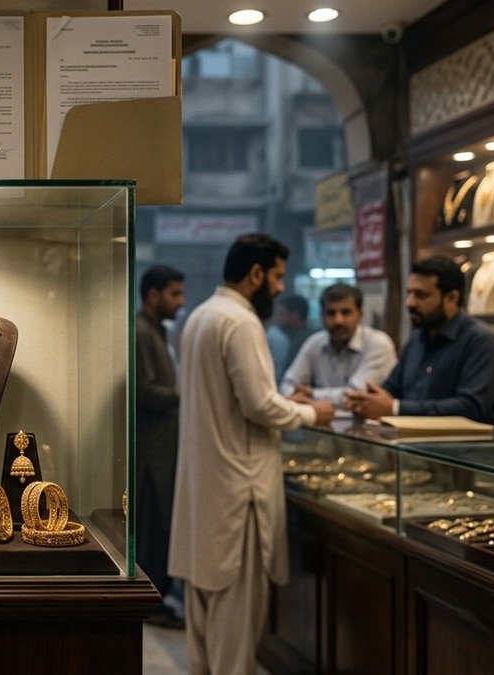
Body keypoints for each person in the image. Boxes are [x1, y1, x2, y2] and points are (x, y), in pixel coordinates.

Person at [168, 233, 334, 675]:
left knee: (205, 611)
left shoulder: (203, 315)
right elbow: (259, 405)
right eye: (277, 277)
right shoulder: (240, 322)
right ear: (256, 274)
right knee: (235, 623)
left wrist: (288, 402)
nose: (280, 288)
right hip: (237, 491)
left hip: (208, 485)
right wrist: (310, 412)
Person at [343, 255, 494, 429]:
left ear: (451, 298)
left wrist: (395, 408)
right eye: (409, 293)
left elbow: (472, 407)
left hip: (465, 453)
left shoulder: (480, 341)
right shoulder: (417, 340)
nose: (410, 303)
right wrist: (366, 400)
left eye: (421, 295)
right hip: (413, 450)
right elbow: (393, 388)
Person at [134, 264, 185, 629]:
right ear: (153, 295)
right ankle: (150, 602)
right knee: (152, 527)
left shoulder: (155, 331)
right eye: (175, 294)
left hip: (163, 449)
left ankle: (159, 598)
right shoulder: (140, 332)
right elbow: (146, 391)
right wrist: (185, 395)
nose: (180, 302)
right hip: (151, 452)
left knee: (161, 524)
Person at [280, 283, 398, 406]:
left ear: (360, 315)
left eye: (346, 313)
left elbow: (356, 395)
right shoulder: (315, 343)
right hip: (320, 422)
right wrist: (293, 396)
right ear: (322, 316)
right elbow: (288, 383)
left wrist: (312, 394)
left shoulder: (378, 343)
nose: (338, 321)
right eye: (331, 313)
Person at [270, 294, 314, 380]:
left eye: (281, 314)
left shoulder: (304, 340)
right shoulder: (291, 336)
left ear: (295, 315)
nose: (276, 318)